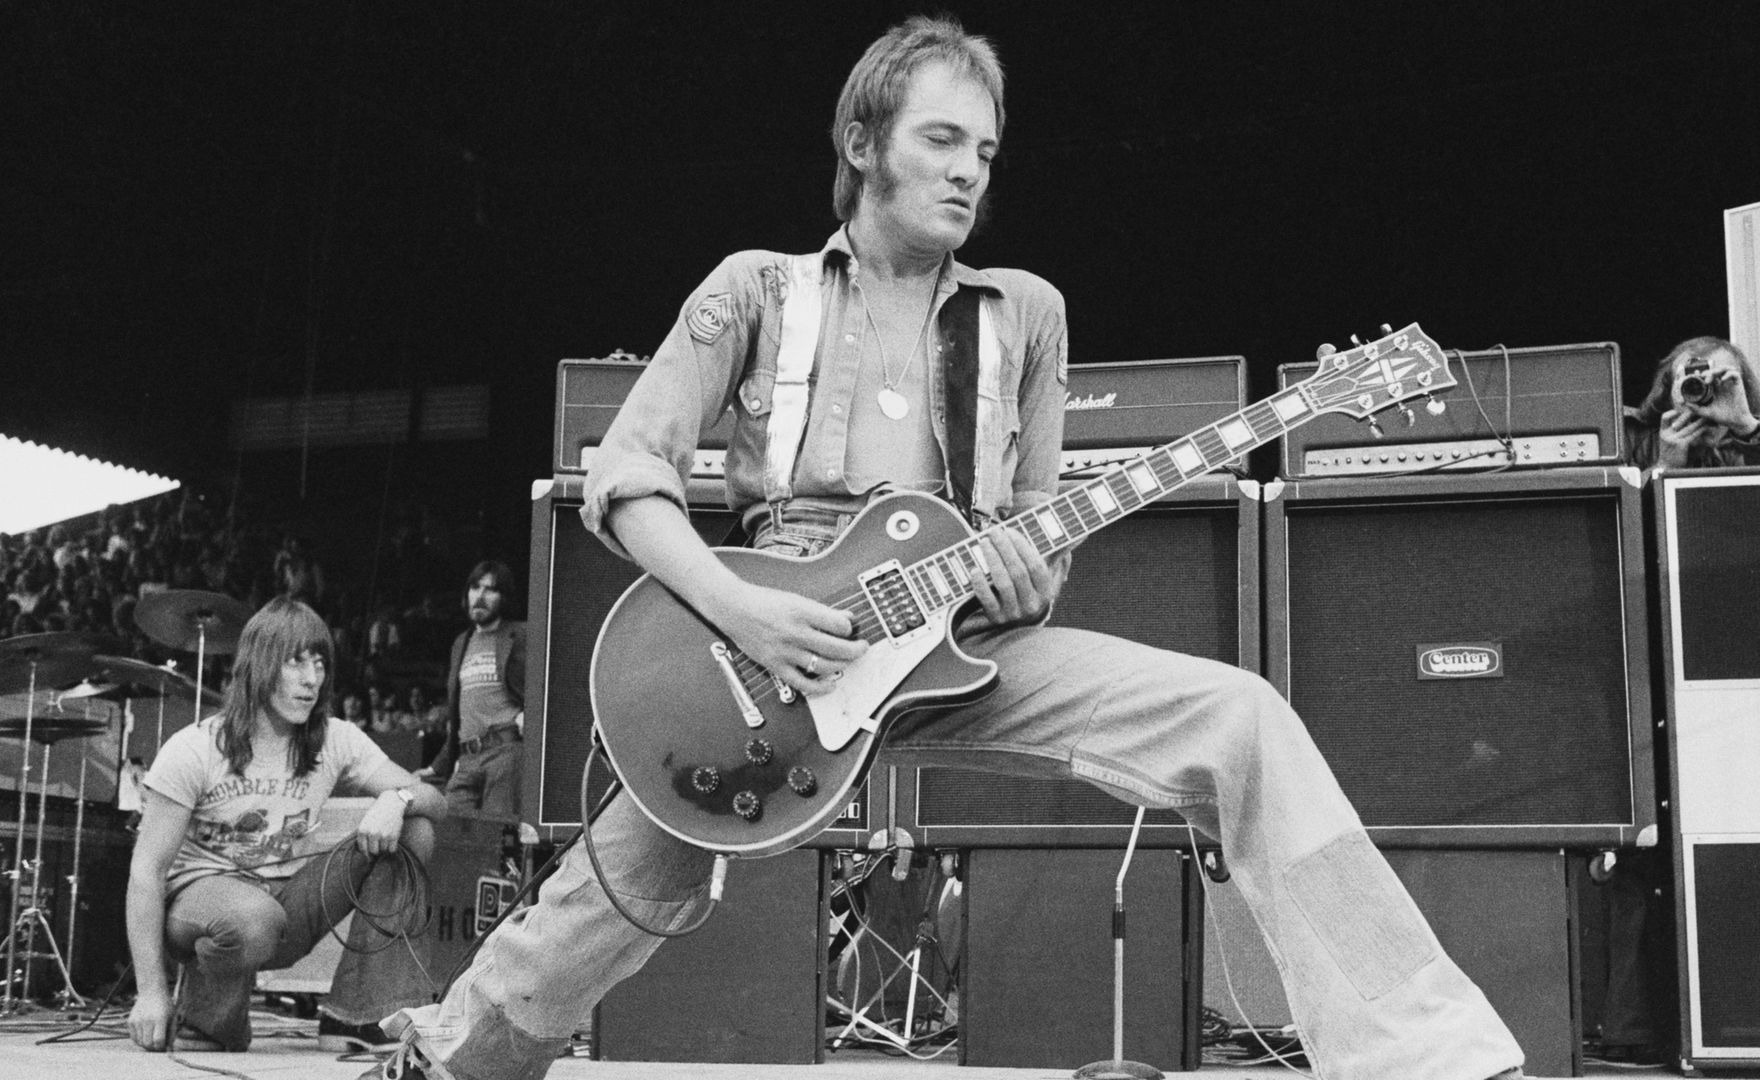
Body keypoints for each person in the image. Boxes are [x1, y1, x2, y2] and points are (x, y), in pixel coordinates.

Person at [363, 16, 1527, 1080]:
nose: (973, 168)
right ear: (865, 143)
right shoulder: (757, 290)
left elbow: (1034, 531)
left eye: (989, 148)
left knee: (1242, 720)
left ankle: (1425, 1054)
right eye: (943, 138)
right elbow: (624, 480)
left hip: (954, 639)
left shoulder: (1024, 313)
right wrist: (744, 611)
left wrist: (1026, 581)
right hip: (775, 648)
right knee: (623, 880)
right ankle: (451, 1058)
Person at [125, 597, 447, 1055]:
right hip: (202, 903)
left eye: (319, 663)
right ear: (259, 666)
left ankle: (358, 1016)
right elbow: (146, 873)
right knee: (252, 918)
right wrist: (150, 992)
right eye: (295, 663)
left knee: (415, 831)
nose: (311, 679)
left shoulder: (335, 738)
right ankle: (206, 1017)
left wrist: (398, 798)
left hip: (286, 907)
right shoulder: (194, 748)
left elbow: (435, 800)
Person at [1601, 334, 1760, 1065]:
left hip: (1734, 674)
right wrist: (1665, 472)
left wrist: (1744, 426)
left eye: (1719, 376)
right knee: (1641, 859)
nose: (1702, 387)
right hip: (1648, 667)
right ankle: (1634, 1029)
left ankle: (1747, 1017)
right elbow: (1617, 550)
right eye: (1692, 373)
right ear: (1665, 382)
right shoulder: (1633, 436)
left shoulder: (1752, 444)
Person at [419, 561, 525, 817]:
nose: (480, 596)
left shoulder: (522, 634)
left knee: (496, 836)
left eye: (491, 590)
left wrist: (531, 712)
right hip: (466, 758)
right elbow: (459, 714)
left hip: (506, 752)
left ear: (504, 597)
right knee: (451, 827)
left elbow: (547, 683)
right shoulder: (461, 642)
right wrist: (437, 767)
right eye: (475, 588)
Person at [1623, 336, 1760, 471]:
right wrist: (1665, 467)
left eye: (1717, 386)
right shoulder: (1632, 436)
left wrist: (1748, 429)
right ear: (1667, 393)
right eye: (1691, 385)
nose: (1703, 397)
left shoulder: (1742, 444)